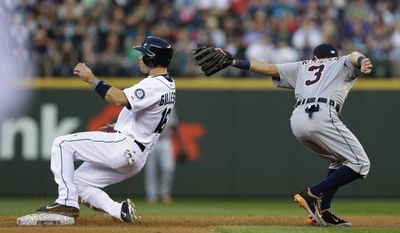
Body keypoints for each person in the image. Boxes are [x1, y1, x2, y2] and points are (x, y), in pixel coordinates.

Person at [196, 44, 372, 227]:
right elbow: (353, 56)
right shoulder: (340, 62)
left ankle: (324, 211)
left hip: (298, 119)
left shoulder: (303, 66)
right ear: (335, 56)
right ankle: (312, 194)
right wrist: (362, 60)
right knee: (360, 163)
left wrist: (234, 62)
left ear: (314, 58)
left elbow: (270, 68)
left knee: (339, 160)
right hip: (322, 114)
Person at [36, 36, 176, 223]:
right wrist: (120, 126)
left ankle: (65, 202)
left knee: (61, 144)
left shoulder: (154, 84)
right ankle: (120, 211)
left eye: (143, 53)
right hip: (137, 156)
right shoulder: (169, 85)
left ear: (152, 58)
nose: (139, 57)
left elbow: (117, 98)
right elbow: (148, 116)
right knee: (77, 182)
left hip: (126, 146)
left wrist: (92, 79)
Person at [144, 108, 184, 204]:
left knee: (168, 168)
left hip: (165, 139)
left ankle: (165, 193)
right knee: (150, 170)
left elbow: (174, 126)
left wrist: (180, 143)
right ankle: (151, 195)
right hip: (150, 140)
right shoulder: (148, 103)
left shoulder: (170, 103)